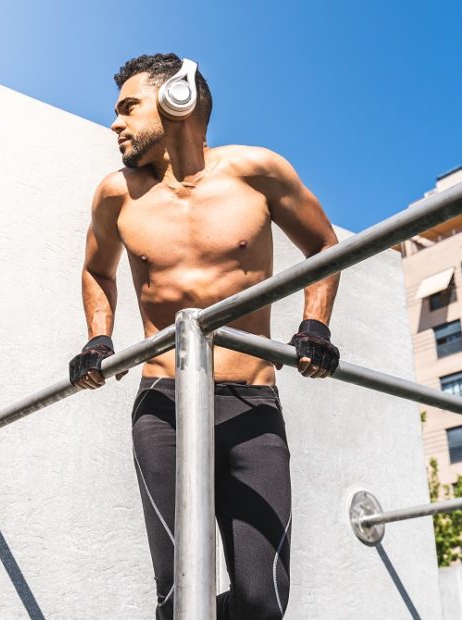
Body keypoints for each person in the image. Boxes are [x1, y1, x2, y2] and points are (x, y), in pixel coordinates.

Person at [68, 53, 340, 620]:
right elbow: (98, 270)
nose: (114, 124)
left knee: (263, 601)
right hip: (162, 404)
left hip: (251, 402)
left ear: (178, 100)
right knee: (176, 593)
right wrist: (99, 338)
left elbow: (323, 246)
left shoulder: (255, 172)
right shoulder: (116, 195)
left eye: (127, 108)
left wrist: (315, 324)